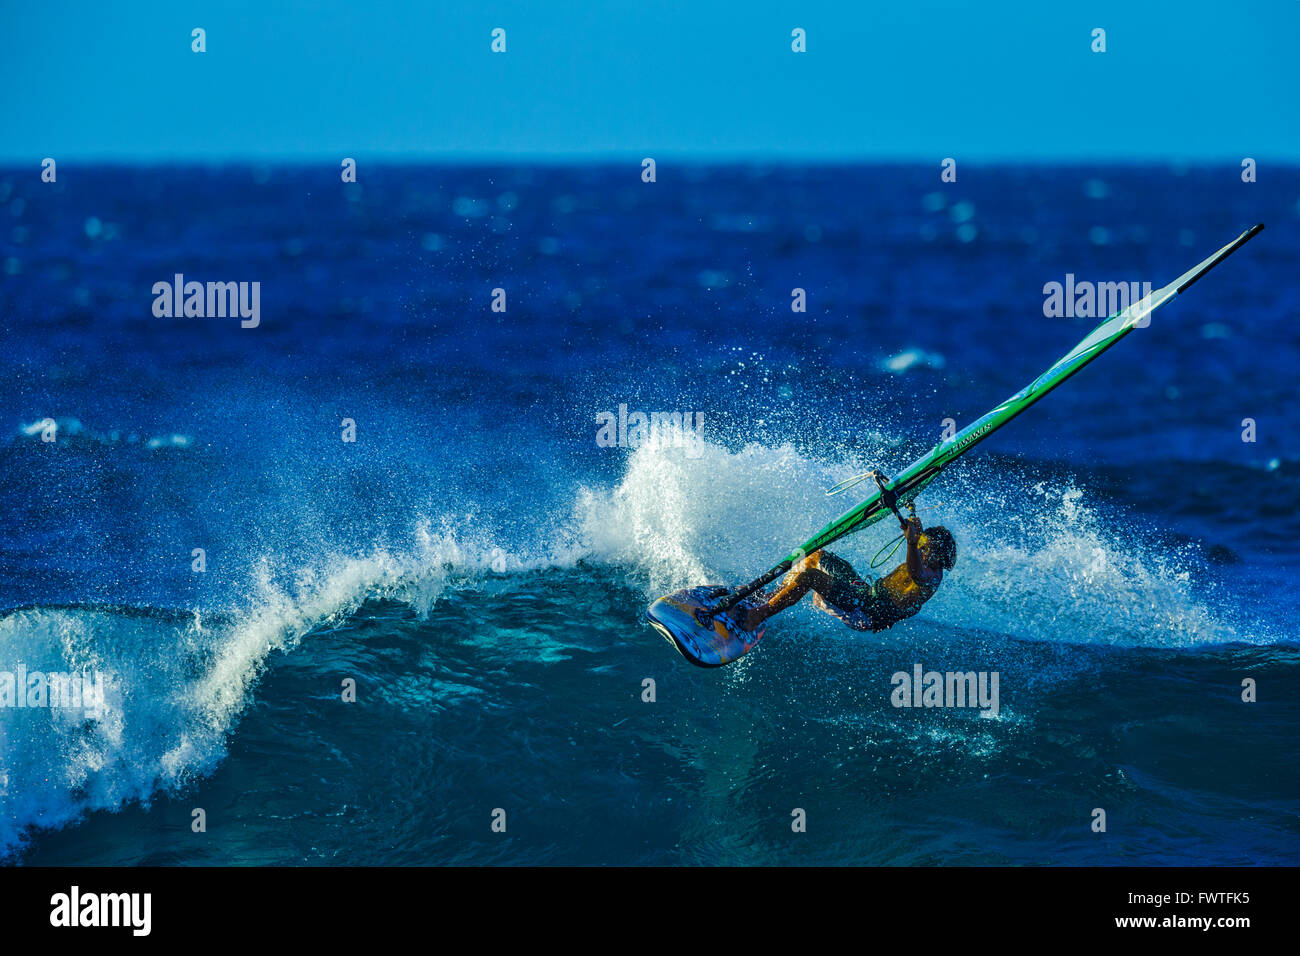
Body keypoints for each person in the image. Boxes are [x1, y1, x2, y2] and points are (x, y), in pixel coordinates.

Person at [739, 513, 956, 632]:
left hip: (865, 612)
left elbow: (916, 573)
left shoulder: (931, 577)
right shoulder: (922, 557)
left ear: (942, 555)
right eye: (922, 545)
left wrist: (910, 542)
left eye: (928, 549)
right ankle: (771, 597)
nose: (922, 550)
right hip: (865, 594)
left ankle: (757, 616)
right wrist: (912, 532)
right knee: (815, 555)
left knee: (810, 577)